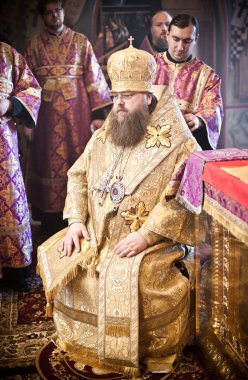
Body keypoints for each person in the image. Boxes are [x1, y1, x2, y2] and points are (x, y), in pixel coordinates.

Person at [37, 39, 198, 377]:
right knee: (69, 264)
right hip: (97, 235)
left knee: (140, 280)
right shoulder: (109, 129)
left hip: (150, 242)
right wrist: (77, 220)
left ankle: (154, 351)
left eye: (127, 97)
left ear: (148, 97)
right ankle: (91, 346)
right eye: (115, 97)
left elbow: (182, 198)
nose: (119, 105)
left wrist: (146, 235)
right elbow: (78, 175)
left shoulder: (180, 142)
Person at [25, 0, 112, 235]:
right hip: (45, 118)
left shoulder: (80, 42)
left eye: (58, 10)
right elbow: (27, 86)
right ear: (43, 17)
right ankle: (49, 221)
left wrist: (98, 116)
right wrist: (27, 121)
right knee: (47, 164)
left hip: (78, 116)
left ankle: (79, 216)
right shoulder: (33, 46)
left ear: (63, 11)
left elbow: (94, 79)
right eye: (49, 12)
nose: (55, 15)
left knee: (78, 158)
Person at [0, 41, 41, 289]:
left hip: (3, 145)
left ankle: (15, 271)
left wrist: (9, 105)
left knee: (10, 201)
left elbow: (31, 89)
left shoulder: (7, 53)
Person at [153, 14, 223, 150]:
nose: (180, 47)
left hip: (187, 147)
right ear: (167, 35)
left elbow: (214, 109)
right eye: (176, 39)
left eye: (187, 41)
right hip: (152, 145)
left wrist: (199, 121)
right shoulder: (150, 66)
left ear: (195, 39)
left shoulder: (207, 76)